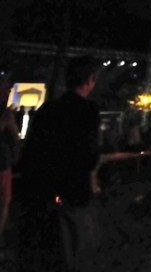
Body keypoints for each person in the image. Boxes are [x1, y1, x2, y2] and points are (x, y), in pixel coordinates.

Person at [18, 56, 101, 271]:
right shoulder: (88, 111)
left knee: (46, 249)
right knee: (71, 249)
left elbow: (31, 152)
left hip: (42, 190)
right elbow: (89, 155)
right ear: (90, 79)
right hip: (73, 190)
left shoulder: (48, 109)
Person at [0, 77, 19, 245]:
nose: (8, 93)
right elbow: (15, 138)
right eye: (6, 89)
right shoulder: (6, 113)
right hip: (2, 165)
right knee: (3, 203)